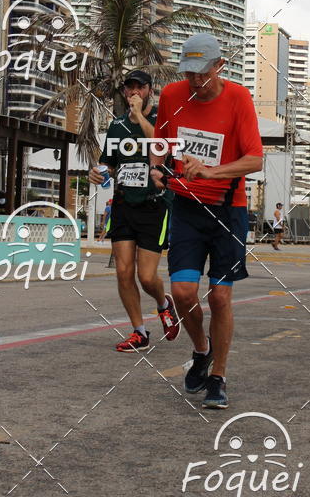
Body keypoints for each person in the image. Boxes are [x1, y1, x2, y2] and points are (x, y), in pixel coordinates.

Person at [151, 33, 263, 409]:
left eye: (202, 73)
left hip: (228, 211)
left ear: (219, 67)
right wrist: (156, 168)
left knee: (219, 295)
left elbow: (255, 160)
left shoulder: (238, 98)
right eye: (189, 74)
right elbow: (161, 141)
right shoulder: (171, 95)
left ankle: (218, 376)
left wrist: (212, 172)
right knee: (183, 293)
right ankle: (201, 350)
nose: (195, 81)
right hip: (185, 207)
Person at [89, 70, 178, 352]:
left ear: (150, 90)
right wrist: (98, 171)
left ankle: (164, 304)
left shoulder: (159, 120)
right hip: (124, 204)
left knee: (147, 277)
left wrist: (139, 116)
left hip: (154, 205)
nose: (134, 92)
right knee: (124, 272)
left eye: (140, 87)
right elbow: (110, 164)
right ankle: (139, 331)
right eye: (130, 88)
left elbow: (161, 146)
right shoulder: (116, 127)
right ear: (124, 91)